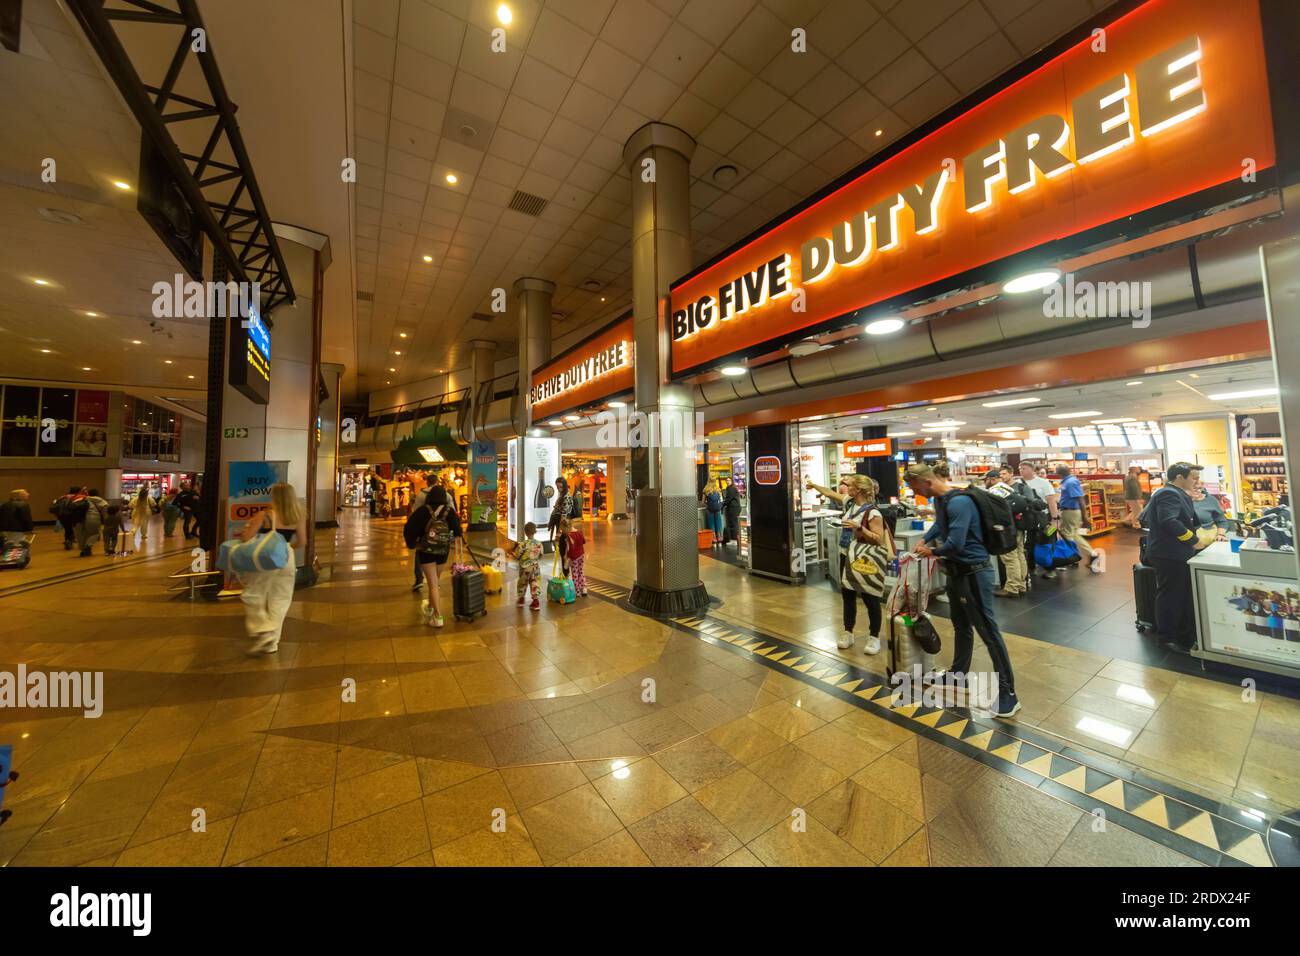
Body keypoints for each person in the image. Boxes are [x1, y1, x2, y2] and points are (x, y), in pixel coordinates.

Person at [906, 463, 1020, 718]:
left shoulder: (960, 503)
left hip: (975, 573)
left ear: (926, 481)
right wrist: (926, 538)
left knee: (989, 632)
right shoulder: (941, 501)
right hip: (956, 573)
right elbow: (940, 525)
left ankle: (1009, 694)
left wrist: (931, 551)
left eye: (916, 488)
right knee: (961, 626)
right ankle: (959, 676)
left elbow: (955, 543)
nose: (917, 493)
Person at [1142, 462, 1220, 653]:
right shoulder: (1169, 493)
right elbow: (1169, 521)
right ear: (1179, 477)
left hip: (1174, 553)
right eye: (1193, 477)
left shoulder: (1176, 493)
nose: (1197, 481)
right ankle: (1167, 638)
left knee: (1179, 595)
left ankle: (1181, 634)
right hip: (1168, 554)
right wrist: (1193, 541)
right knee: (1170, 596)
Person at [807, 474, 889, 653]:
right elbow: (830, 493)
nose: (845, 487)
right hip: (847, 556)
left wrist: (858, 527)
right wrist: (814, 484)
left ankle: (874, 637)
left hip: (864, 558)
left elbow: (878, 539)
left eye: (849, 485)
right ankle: (848, 632)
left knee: (870, 598)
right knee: (848, 596)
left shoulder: (873, 513)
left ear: (857, 489)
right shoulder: (849, 503)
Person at [238, 482, 306, 655]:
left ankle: (264, 629)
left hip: (267, 558)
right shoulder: (298, 515)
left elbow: (246, 538)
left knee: (253, 594)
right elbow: (302, 542)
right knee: (281, 599)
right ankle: (271, 642)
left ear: (274, 496)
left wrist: (246, 531)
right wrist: (288, 546)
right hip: (287, 556)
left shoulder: (265, 515)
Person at [402, 482, 463, 628]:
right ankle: (430, 607)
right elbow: (458, 531)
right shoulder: (449, 511)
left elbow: (409, 528)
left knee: (433, 584)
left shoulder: (423, 511)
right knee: (435, 581)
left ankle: (438, 616)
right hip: (443, 551)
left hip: (426, 551)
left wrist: (413, 544)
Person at [987, 467, 1028, 597]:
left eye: (986, 480)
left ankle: (1012, 588)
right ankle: (1021, 585)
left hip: (1007, 529)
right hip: (1018, 526)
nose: (985, 482)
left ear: (992, 479)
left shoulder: (994, 491)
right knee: (1019, 555)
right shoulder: (1008, 488)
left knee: (1010, 558)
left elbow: (994, 511)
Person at [1055, 465, 1101, 571]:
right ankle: (1092, 553)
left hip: (1071, 511)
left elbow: (1080, 499)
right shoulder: (1066, 481)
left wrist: (1085, 518)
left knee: (1067, 534)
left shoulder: (1071, 482)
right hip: (1068, 511)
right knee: (1073, 534)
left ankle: (1071, 557)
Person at [1018, 461, 1059, 580]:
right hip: (1028, 519)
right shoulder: (1019, 483)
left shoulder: (1044, 483)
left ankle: (1051, 569)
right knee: (1029, 544)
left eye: (1024, 468)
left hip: (1044, 519)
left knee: (1047, 542)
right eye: (1020, 468)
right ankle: (1031, 568)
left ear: (1032, 470)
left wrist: (1055, 519)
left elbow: (1051, 502)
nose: (1021, 470)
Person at [410, 472, 438, 592]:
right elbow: (451, 510)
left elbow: (415, 512)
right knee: (438, 551)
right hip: (438, 529)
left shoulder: (421, 494)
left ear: (427, 482)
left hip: (423, 529)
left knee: (419, 552)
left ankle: (419, 580)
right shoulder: (443, 494)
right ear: (437, 482)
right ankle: (436, 580)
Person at [510, 521, 544, 611]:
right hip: (535, 568)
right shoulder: (539, 544)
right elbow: (541, 555)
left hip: (525, 569)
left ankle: (521, 600)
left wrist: (513, 554)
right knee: (535, 584)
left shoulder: (522, 544)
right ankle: (536, 602)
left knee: (522, 583)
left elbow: (518, 556)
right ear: (535, 532)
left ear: (525, 532)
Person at [72, 488, 108, 557]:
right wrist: (105, 519)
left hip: (77, 519)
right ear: (97, 494)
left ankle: (83, 549)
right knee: (94, 533)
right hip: (92, 516)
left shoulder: (81, 499)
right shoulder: (97, 499)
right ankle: (87, 547)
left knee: (81, 535)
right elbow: (105, 507)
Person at [558, 516, 588, 597]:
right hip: (581, 555)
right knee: (580, 571)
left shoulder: (569, 536)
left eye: (563, 530)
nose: (563, 532)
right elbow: (583, 542)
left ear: (566, 528)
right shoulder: (579, 532)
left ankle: (577, 591)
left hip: (573, 558)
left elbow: (568, 549)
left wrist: (565, 557)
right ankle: (584, 588)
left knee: (574, 574)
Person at [52, 486, 80, 550]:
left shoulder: (62, 497)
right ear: (77, 492)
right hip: (71, 515)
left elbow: (56, 506)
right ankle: (69, 541)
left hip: (62, 516)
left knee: (67, 529)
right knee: (73, 529)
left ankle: (68, 540)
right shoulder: (76, 497)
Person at [702, 480, 724, 546]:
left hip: (710, 510)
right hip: (717, 509)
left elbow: (702, 502)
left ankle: (714, 539)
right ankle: (720, 538)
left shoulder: (706, 490)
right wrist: (719, 506)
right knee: (718, 523)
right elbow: (721, 500)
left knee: (711, 524)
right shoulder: (718, 489)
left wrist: (707, 505)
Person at [722, 478, 741, 546]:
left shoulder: (731, 488)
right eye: (726, 480)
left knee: (733, 524)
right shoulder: (730, 488)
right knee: (732, 523)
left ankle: (734, 540)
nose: (727, 481)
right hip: (734, 508)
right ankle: (734, 540)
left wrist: (722, 504)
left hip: (734, 508)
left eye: (729, 480)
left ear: (732, 481)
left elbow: (728, 499)